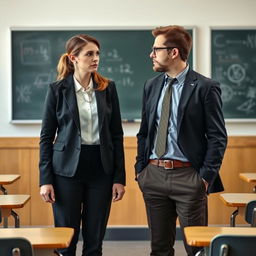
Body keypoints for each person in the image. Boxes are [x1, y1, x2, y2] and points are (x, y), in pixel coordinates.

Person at [135, 25, 227, 256]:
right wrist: (141, 170)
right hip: (153, 176)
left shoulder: (205, 87)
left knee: (195, 248)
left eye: (156, 49)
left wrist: (204, 178)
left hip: (189, 178)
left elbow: (217, 137)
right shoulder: (151, 85)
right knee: (159, 249)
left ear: (174, 52)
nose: (151, 54)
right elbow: (145, 131)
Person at [39, 34, 125, 256]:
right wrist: (45, 180)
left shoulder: (108, 88)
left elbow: (117, 135)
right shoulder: (57, 90)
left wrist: (119, 178)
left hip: (101, 168)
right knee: (66, 238)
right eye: (89, 54)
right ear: (73, 58)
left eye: (97, 53)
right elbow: (46, 137)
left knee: (94, 239)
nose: (95, 58)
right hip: (65, 171)